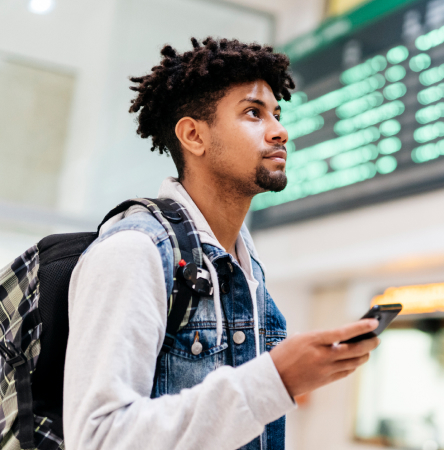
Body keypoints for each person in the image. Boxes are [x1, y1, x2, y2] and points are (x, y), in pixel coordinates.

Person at [63, 37, 380, 450]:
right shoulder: (134, 252)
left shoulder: (243, 267)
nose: (280, 131)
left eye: (277, 114)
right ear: (194, 135)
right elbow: (99, 439)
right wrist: (275, 379)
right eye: (253, 113)